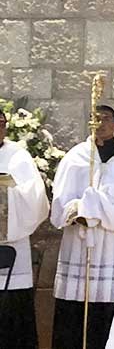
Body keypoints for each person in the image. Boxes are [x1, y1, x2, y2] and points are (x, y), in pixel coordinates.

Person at [51, 105, 114, 349]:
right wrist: (79, 211)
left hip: (112, 242)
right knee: (75, 310)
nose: (100, 123)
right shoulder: (76, 156)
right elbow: (60, 199)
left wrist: (94, 206)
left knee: (109, 309)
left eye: (106, 119)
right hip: (80, 243)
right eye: (95, 118)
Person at [0, 110, 49, 349]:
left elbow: (36, 196)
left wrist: (9, 190)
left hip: (13, 243)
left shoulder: (18, 156)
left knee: (13, 319)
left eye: (0, 123)